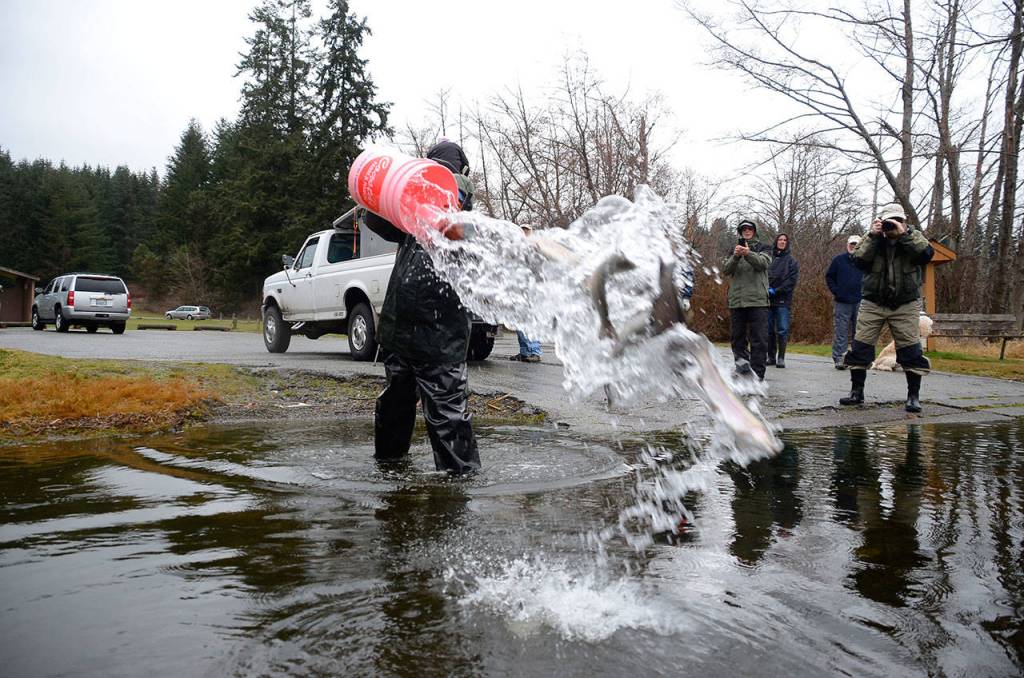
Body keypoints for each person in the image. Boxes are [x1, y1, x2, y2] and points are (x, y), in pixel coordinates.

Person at [362, 140, 481, 474]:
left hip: (435, 337)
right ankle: (397, 467)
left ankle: (456, 479)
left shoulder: (463, 220)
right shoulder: (412, 215)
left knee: (440, 412)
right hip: (408, 332)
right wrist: (380, 190)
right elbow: (375, 219)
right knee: (405, 405)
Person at [839, 203, 934, 413]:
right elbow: (858, 260)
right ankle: (856, 392)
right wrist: (873, 236)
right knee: (861, 347)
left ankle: (913, 396)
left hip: (905, 303)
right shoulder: (872, 238)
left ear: (904, 221)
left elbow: (926, 255)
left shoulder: (913, 236)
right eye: (889, 220)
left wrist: (904, 234)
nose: (893, 224)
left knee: (911, 349)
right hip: (873, 302)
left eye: (898, 220)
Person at [722, 219, 772, 380]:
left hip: (758, 301)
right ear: (740, 231)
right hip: (737, 300)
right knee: (737, 339)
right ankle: (743, 371)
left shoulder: (764, 247)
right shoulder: (733, 249)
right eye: (744, 229)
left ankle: (757, 375)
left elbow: (763, 264)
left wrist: (747, 253)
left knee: (759, 339)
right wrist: (736, 256)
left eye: (750, 228)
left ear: (754, 230)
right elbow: (726, 269)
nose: (747, 231)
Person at [826, 235, 864, 370]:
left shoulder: (864, 261)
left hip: (860, 301)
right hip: (842, 301)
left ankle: (856, 359)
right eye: (851, 244)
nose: (853, 247)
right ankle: (839, 358)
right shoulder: (838, 260)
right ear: (847, 245)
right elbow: (829, 277)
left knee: (859, 332)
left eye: (856, 245)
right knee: (841, 331)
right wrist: (837, 292)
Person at [509, 225, 543, 363]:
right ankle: (525, 351)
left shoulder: (535, 248)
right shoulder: (518, 248)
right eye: (522, 231)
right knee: (520, 322)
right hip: (520, 290)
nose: (523, 233)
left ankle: (534, 351)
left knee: (529, 321)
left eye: (526, 231)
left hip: (530, 290)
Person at [766, 233, 799, 368]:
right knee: (768, 330)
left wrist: (777, 290)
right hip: (767, 299)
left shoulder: (791, 261)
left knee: (782, 329)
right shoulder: (769, 258)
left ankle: (781, 357)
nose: (782, 242)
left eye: (785, 240)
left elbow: (791, 281)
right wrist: (766, 289)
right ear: (776, 241)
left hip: (783, 300)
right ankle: (771, 356)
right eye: (780, 239)